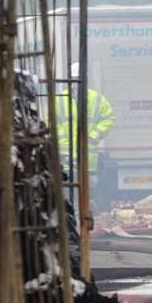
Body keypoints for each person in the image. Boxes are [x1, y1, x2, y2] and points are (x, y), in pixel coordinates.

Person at [55, 62, 116, 205]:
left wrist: (93, 136)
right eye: (74, 79)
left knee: (84, 200)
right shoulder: (59, 99)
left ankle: (82, 223)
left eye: (79, 79)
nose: (76, 84)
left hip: (87, 162)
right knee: (69, 199)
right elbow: (50, 122)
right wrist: (62, 142)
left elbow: (109, 118)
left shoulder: (96, 99)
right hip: (66, 161)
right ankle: (75, 223)